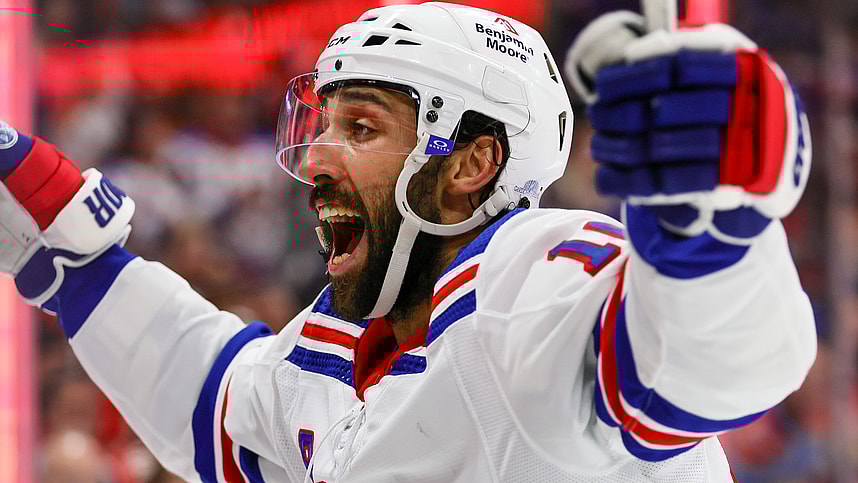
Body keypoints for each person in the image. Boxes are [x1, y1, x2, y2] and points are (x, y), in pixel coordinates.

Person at [0, 2, 816, 481]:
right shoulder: (341, 343)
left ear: (472, 162)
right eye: (322, 123)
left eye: (360, 126)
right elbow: (212, 396)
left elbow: (701, 369)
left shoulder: (528, 282)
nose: (315, 156)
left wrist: (710, 235)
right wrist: (74, 260)